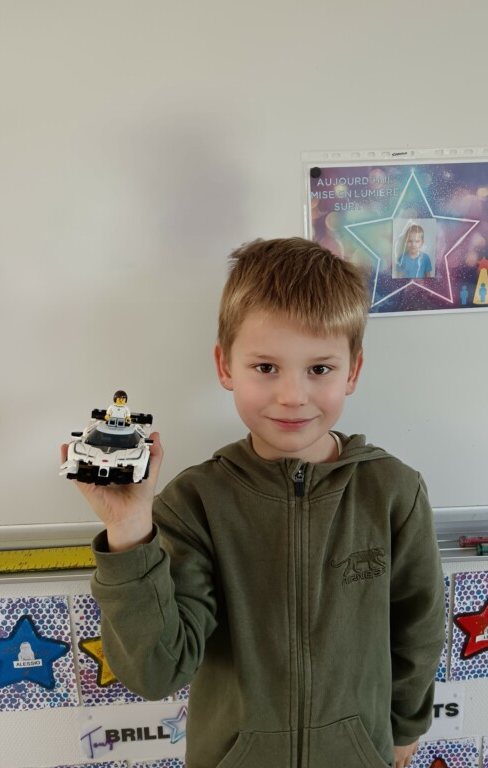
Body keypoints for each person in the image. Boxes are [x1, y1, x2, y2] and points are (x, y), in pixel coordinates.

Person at [64, 237, 445, 768]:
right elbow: (157, 671)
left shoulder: (394, 492)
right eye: (266, 367)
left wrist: (405, 727)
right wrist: (129, 530)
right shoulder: (193, 504)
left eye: (319, 369)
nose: (292, 396)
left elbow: (418, 627)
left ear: (353, 372)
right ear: (225, 366)